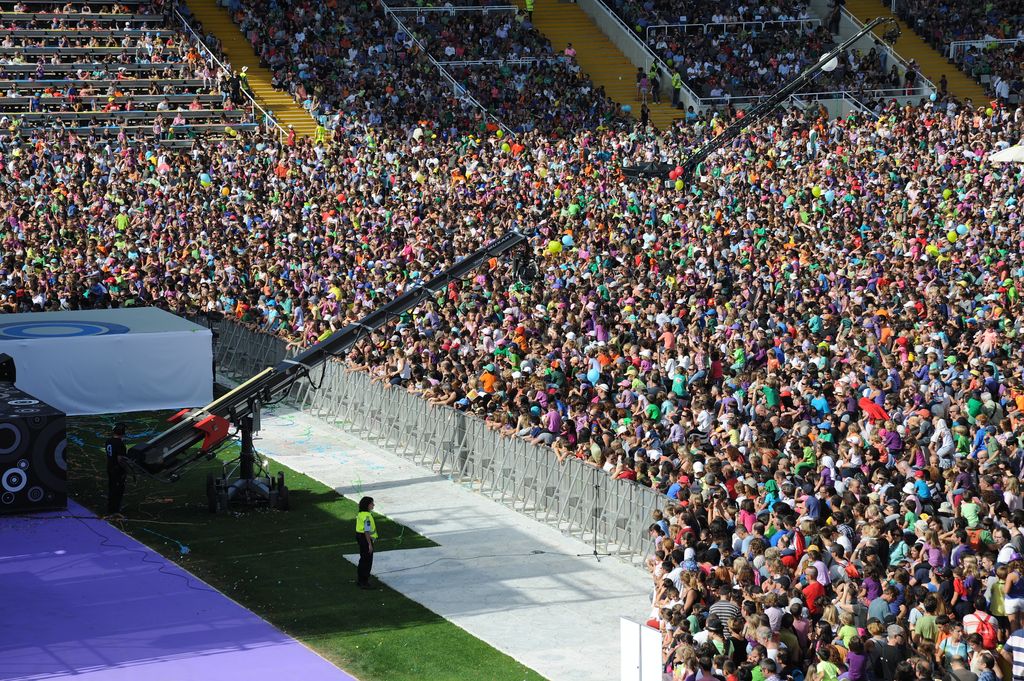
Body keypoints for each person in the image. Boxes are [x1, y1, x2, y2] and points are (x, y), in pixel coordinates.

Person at [105, 423, 128, 515]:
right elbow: (120, 459)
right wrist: (125, 468)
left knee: (112, 487)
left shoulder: (108, 441)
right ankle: (114, 509)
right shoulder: (120, 444)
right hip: (117, 469)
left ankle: (111, 507)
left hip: (110, 467)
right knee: (118, 490)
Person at [355, 496, 378, 589]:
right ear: (368, 505)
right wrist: (369, 544)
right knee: (367, 561)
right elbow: (367, 531)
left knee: (363, 559)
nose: (373, 505)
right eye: (372, 503)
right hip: (365, 539)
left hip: (361, 538)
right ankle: (364, 582)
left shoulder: (361, 514)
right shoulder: (367, 516)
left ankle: (361, 580)